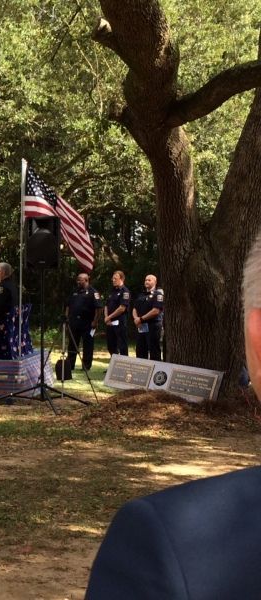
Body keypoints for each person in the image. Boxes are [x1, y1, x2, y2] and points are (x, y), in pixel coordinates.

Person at [84, 231, 261, 599]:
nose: (147, 283)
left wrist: (133, 315)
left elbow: (151, 311)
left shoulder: (168, 546)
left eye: (150, 280)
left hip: (149, 326)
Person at [65, 272, 102, 371]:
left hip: (87, 323)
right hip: (74, 323)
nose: (77, 281)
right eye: (77, 279)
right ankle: (70, 365)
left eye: (79, 280)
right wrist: (67, 318)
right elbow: (68, 305)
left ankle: (86, 366)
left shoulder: (93, 292)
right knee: (72, 344)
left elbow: (99, 308)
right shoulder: (74, 291)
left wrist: (95, 321)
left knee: (88, 345)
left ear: (86, 280)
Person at [132, 274, 164, 361]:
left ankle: (156, 368)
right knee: (140, 350)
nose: (146, 281)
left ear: (155, 282)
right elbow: (134, 308)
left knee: (153, 350)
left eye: (149, 280)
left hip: (152, 326)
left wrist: (141, 319)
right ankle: (141, 369)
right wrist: (136, 319)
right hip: (141, 326)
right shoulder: (141, 295)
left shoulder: (158, 294)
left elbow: (156, 311)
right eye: (146, 280)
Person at [104, 270, 130, 356]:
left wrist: (109, 317)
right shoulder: (112, 291)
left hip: (120, 322)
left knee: (122, 345)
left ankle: (123, 363)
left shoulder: (125, 291)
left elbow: (122, 308)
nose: (113, 280)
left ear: (121, 279)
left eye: (115, 278)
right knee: (110, 345)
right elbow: (106, 305)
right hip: (109, 322)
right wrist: (106, 317)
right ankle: (114, 363)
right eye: (113, 278)